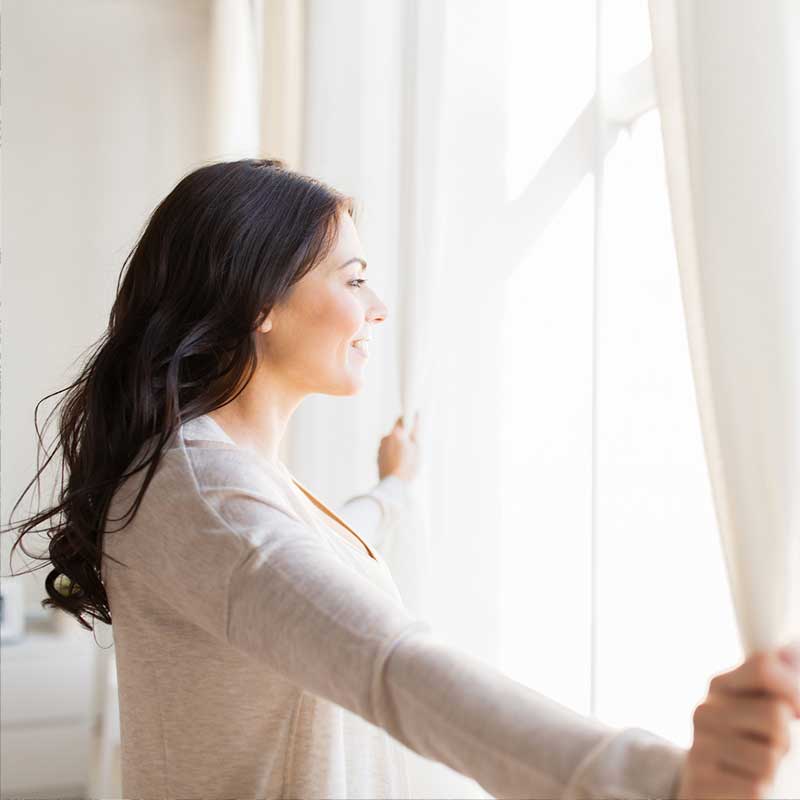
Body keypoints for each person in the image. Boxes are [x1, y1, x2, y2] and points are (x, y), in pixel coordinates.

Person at [4, 158, 799, 800]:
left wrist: (392, 489)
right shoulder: (206, 497)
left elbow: (300, 567)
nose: (376, 306)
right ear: (259, 302)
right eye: (352, 279)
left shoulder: (216, 481)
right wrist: (657, 783)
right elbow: (392, 665)